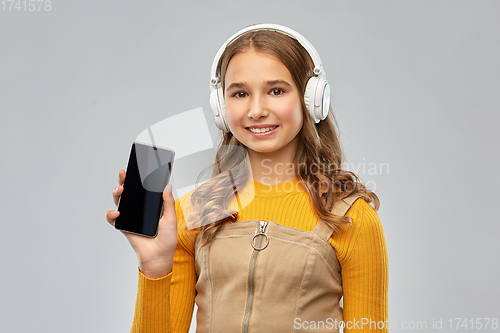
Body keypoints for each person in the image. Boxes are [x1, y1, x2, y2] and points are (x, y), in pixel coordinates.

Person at [106, 24, 388, 332]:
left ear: (311, 99)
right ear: (221, 108)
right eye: (240, 93)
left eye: (276, 91)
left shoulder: (350, 217)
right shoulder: (194, 213)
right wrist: (155, 265)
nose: (256, 110)